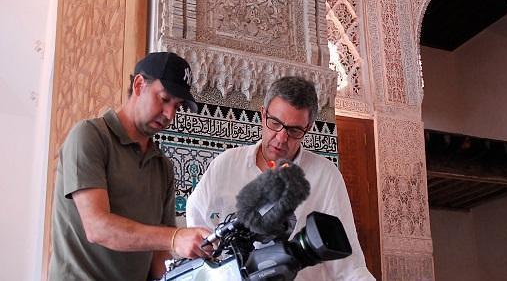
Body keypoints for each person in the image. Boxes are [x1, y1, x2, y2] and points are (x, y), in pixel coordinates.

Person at [186, 76, 375, 280]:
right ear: (263, 114)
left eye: (294, 130)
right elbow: (196, 235)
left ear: (308, 128)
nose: (281, 137)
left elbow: (348, 266)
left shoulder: (325, 176)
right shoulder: (226, 164)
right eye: (275, 123)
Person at [48, 52, 213, 281]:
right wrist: (175, 237)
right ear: (138, 85)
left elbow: (159, 256)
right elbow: (97, 228)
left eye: (177, 106)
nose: (169, 114)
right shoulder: (90, 136)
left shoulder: (162, 167)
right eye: (165, 99)